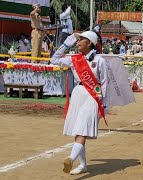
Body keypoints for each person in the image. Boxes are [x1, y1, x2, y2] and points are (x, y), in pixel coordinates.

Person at [50, 31, 107, 174]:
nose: (78, 42)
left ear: (89, 42)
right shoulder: (74, 59)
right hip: (78, 94)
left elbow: (105, 83)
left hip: (93, 96)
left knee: (82, 128)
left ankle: (71, 158)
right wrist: (68, 42)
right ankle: (83, 165)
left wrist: (103, 105)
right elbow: (54, 59)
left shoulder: (100, 60)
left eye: (81, 40)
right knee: (79, 130)